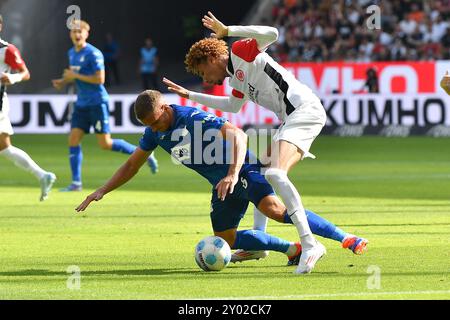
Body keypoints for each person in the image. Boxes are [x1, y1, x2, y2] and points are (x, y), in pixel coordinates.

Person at [75, 90, 368, 273]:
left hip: (242, 171)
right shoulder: (155, 133)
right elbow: (131, 164)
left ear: (164, 108)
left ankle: (345, 239)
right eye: (148, 125)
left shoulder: (191, 118)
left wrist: (231, 173)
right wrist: (102, 189)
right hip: (222, 186)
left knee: (275, 210)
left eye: (155, 121)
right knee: (226, 239)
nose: (153, 128)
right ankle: (292, 249)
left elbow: (239, 135)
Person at [164, 12, 337, 274]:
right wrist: (190, 95)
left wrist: (228, 31)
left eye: (203, 72)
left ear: (213, 58)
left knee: (276, 174)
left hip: (304, 110)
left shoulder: (241, 50)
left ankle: (309, 244)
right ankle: (259, 244)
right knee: (262, 174)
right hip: (290, 118)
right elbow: (233, 106)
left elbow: (272, 34)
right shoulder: (235, 78)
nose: (206, 79)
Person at [52, 20, 159, 192]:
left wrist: (75, 75)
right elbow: (75, 75)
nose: (77, 34)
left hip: (96, 103)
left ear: (87, 33)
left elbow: (99, 79)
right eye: (74, 32)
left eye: (80, 31)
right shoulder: (71, 52)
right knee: (73, 139)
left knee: (105, 144)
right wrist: (63, 81)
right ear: (70, 35)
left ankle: (145, 154)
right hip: (81, 105)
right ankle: (76, 183)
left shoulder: (94, 53)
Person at [0, 14, 56, 201]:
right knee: (5, 149)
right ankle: (43, 175)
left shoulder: (7, 50)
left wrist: (12, 78)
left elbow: (25, 73)